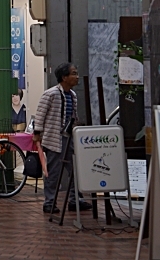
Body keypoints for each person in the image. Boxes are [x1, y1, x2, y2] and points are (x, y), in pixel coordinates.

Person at [33, 62, 90, 214]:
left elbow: (73, 116)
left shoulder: (73, 95)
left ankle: (75, 199)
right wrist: (37, 134)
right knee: (54, 172)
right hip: (53, 139)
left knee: (75, 170)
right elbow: (40, 115)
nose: (77, 77)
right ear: (64, 77)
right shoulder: (50, 94)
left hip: (69, 138)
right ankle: (49, 202)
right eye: (73, 73)